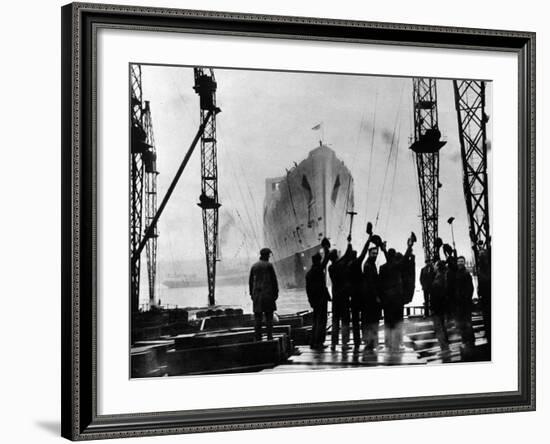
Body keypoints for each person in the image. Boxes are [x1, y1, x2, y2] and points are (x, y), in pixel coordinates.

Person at [379, 237, 413, 352]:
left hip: (387, 300)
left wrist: (383, 250)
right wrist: (409, 245)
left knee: (388, 322)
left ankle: (388, 343)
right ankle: (398, 342)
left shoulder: (382, 268)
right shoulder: (398, 265)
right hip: (398, 299)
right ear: (394, 256)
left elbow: (380, 285)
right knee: (398, 321)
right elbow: (405, 257)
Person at [305, 238, 331, 350]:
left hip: (314, 300)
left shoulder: (309, 274)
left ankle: (313, 342)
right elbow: (327, 258)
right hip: (321, 299)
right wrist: (326, 247)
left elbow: (307, 289)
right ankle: (319, 342)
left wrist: (310, 300)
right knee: (322, 321)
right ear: (318, 261)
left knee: (315, 321)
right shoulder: (319, 269)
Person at [249, 248, 279, 341]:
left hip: (257, 296)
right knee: (269, 318)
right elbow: (274, 281)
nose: (269, 257)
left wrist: (252, 294)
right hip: (268, 295)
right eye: (269, 256)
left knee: (258, 318)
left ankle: (258, 338)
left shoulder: (254, 266)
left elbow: (250, 282)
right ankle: (269, 337)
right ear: (266, 255)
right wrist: (276, 293)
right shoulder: (269, 265)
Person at [347, 237, 371, 351]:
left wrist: (349, 243)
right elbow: (364, 251)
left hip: (352, 296)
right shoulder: (357, 263)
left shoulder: (347, 266)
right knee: (365, 319)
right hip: (361, 296)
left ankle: (356, 342)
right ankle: (365, 339)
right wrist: (369, 239)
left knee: (355, 320)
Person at [328, 248, 351, 351]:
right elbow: (347, 255)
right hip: (344, 297)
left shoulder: (330, 268)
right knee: (345, 321)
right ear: (336, 256)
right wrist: (349, 243)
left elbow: (344, 257)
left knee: (335, 321)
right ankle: (344, 344)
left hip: (335, 297)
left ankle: (333, 343)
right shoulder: (341, 265)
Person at [363, 244, 382, 352]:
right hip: (371, 298)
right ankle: (371, 342)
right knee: (372, 321)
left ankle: (371, 342)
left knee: (372, 321)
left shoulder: (370, 264)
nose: (375, 255)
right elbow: (371, 284)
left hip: (370, 298)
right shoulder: (368, 266)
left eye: (376, 253)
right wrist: (376, 296)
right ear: (369, 253)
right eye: (373, 253)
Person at [454, 255, 475, 350]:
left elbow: (470, 288)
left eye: (462, 261)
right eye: (459, 261)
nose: (460, 263)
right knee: (462, 323)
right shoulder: (457, 273)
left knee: (467, 322)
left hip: (465, 303)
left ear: (464, 262)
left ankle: (469, 341)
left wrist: (466, 298)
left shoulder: (466, 274)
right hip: (459, 303)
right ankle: (466, 340)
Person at [430, 260, 449, 351]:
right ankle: (445, 347)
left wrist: (433, 308)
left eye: (435, 265)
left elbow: (437, 295)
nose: (433, 266)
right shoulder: (442, 276)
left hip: (437, 308)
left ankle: (444, 348)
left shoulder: (439, 278)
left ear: (438, 267)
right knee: (442, 327)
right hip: (441, 307)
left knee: (439, 328)